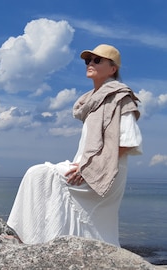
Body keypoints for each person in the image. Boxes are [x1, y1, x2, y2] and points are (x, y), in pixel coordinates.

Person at [7, 44, 142, 247]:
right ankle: (49, 243)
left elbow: (128, 141)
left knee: (38, 174)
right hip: (86, 166)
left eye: (97, 60)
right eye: (88, 60)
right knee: (40, 178)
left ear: (113, 68)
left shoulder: (120, 98)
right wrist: (85, 165)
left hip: (105, 171)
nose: (90, 64)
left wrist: (91, 166)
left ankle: (33, 242)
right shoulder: (92, 101)